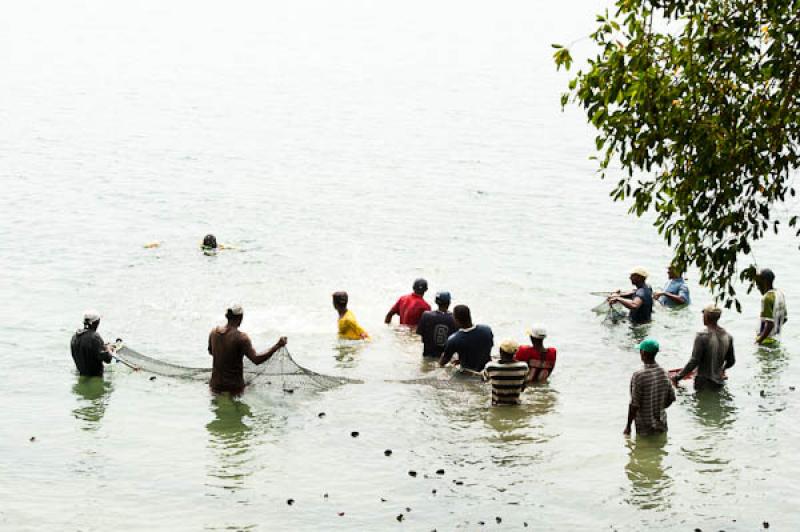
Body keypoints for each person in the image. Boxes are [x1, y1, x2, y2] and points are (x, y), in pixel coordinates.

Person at [207, 304, 287, 395]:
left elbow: (211, 352)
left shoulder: (213, 332)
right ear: (240, 318)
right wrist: (277, 345)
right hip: (234, 389)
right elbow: (256, 359)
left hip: (215, 386)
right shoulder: (241, 338)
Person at [672, 304, 735, 391]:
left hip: (703, 382)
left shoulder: (701, 336)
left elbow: (694, 361)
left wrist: (677, 377)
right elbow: (731, 361)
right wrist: (722, 370)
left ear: (706, 317)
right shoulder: (728, 336)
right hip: (719, 382)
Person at [624, 338, 675, 436]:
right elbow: (671, 398)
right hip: (661, 425)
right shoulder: (664, 373)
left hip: (644, 428)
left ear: (643, 353)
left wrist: (628, 426)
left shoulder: (639, 375)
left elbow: (634, 404)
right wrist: (658, 409)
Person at [439, 305, 493, 373]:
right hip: (487, 371)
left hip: (467, 374)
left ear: (456, 320)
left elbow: (443, 363)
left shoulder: (454, 339)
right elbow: (485, 348)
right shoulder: (487, 330)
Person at [483, 340, 530, 406]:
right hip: (515, 405)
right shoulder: (523, 367)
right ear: (515, 353)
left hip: (496, 405)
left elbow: (484, 380)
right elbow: (523, 388)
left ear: (500, 351)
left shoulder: (490, 367)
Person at [70, 310, 114, 377]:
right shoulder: (95, 337)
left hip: (81, 374)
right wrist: (109, 348)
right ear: (96, 323)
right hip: (95, 377)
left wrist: (102, 346)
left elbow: (88, 350)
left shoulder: (74, 337)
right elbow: (108, 359)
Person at [416, 291, 457, 358]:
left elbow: (420, 334)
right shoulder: (455, 319)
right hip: (445, 358)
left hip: (428, 355)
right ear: (449, 303)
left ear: (436, 302)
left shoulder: (426, 315)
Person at [755, 268, 788, 346]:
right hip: (776, 339)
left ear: (765, 281)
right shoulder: (780, 294)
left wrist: (758, 341)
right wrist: (775, 331)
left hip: (765, 340)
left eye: (758, 282)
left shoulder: (766, 298)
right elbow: (785, 318)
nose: (757, 285)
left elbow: (770, 324)